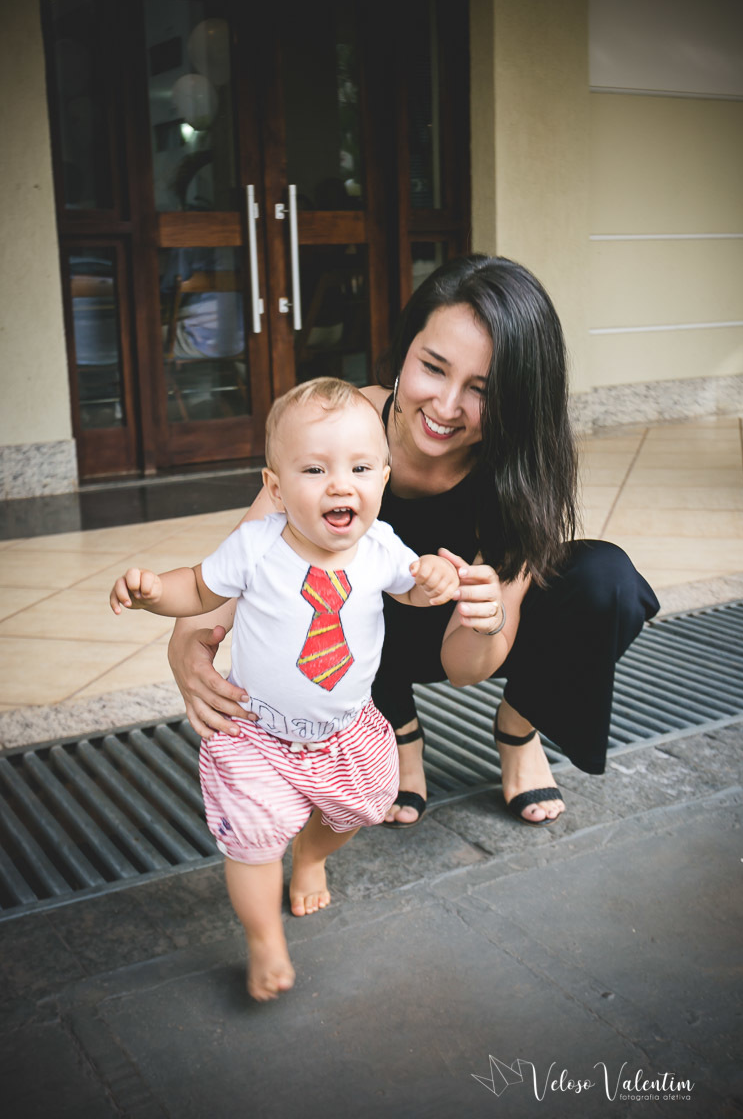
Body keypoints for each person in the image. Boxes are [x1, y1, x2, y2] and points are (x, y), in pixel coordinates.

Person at [167, 254, 659, 833]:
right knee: (329, 574)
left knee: (607, 581)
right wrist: (186, 647)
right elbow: (241, 557)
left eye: (481, 390)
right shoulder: (344, 426)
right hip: (360, 631)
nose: (445, 407)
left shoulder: (520, 471)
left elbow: (463, 668)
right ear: (406, 350)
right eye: (433, 367)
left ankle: (519, 727)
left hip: (458, 635)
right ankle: (396, 730)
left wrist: (487, 619)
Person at [109, 378, 460, 1000]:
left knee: (361, 808)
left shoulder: (380, 547)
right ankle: (264, 939)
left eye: (359, 468)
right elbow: (198, 588)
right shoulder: (257, 547)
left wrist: (431, 580)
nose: (340, 485)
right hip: (256, 733)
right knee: (252, 844)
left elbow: (410, 589)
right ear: (275, 487)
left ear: (383, 478)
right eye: (315, 470)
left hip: (346, 731)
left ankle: (313, 855)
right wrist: (154, 593)